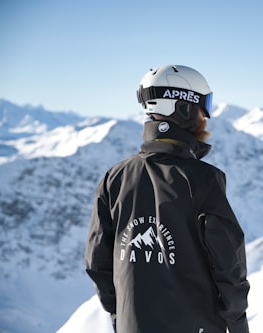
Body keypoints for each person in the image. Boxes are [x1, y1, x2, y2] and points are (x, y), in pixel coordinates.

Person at [85, 65, 250, 333]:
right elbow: (229, 267)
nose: (206, 116)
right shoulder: (203, 180)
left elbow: (97, 263)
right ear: (183, 108)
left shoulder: (113, 179)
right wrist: (238, 326)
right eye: (203, 105)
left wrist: (121, 317)